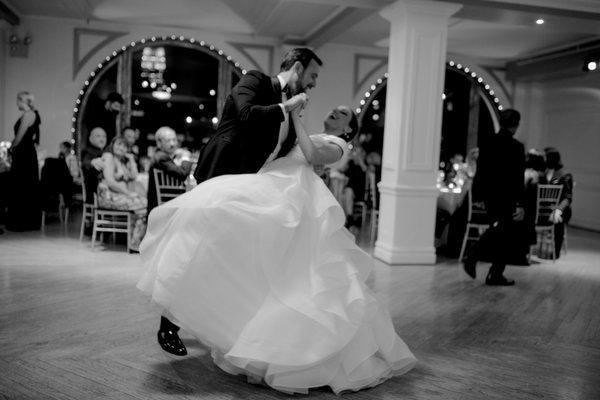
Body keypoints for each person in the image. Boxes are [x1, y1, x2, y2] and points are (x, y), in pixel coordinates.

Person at [137, 105, 416, 394]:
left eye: (343, 113)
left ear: (349, 129)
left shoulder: (339, 145)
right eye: (333, 109)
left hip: (292, 196)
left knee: (295, 271)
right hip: (271, 183)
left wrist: (295, 118)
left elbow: (313, 156)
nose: (334, 111)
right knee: (220, 217)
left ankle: (294, 353)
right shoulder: (315, 134)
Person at [145, 47, 322, 357]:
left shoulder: (292, 112)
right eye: (312, 76)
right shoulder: (256, 81)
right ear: (296, 68)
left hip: (245, 189)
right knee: (195, 249)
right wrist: (287, 105)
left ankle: (213, 323)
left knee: (224, 257)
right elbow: (244, 114)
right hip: (219, 176)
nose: (314, 84)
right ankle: (168, 324)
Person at [463, 109, 525, 286]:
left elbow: (481, 172)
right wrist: (520, 203)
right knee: (503, 234)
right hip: (507, 197)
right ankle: (477, 259)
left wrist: (478, 195)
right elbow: (517, 178)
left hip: (490, 196)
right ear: (515, 125)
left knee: (499, 232)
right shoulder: (516, 147)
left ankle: (492, 271)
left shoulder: (487, 142)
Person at [97, 136, 147, 250]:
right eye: (119, 144)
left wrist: (131, 160)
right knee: (143, 204)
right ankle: (135, 243)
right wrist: (127, 193)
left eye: (125, 146)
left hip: (118, 195)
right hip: (108, 196)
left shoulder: (121, 162)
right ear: (112, 145)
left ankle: (134, 242)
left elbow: (134, 176)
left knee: (144, 203)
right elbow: (109, 181)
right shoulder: (109, 157)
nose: (121, 148)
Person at [6, 91, 42, 231]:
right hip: (26, 153)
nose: (16, 103)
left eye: (18, 100)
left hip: (24, 154)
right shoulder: (31, 115)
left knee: (22, 185)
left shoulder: (29, 115)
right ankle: (25, 221)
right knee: (25, 185)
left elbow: (19, 136)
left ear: (23, 101)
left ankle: (22, 223)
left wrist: (9, 147)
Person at [146, 126, 193, 215]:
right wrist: (185, 156)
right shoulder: (161, 157)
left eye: (174, 140)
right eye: (168, 141)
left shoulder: (161, 155)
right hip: (165, 203)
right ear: (159, 143)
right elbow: (183, 174)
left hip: (168, 201)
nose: (172, 144)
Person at [544, 147, 573, 258]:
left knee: (558, 221)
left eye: (547, 159)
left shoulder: (565, 174)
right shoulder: (546, 172)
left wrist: (558, 210)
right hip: (547, 207)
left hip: (562, 209)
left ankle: (556, 251)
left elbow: (568, 198)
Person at [80, 127, 107, 206]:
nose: (102, 139)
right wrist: (93, 162)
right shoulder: (87, 151)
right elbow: (85, 162)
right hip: (93, 190)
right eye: (98, 136)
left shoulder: (106, 152)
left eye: (104, 136)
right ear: (90, 138)